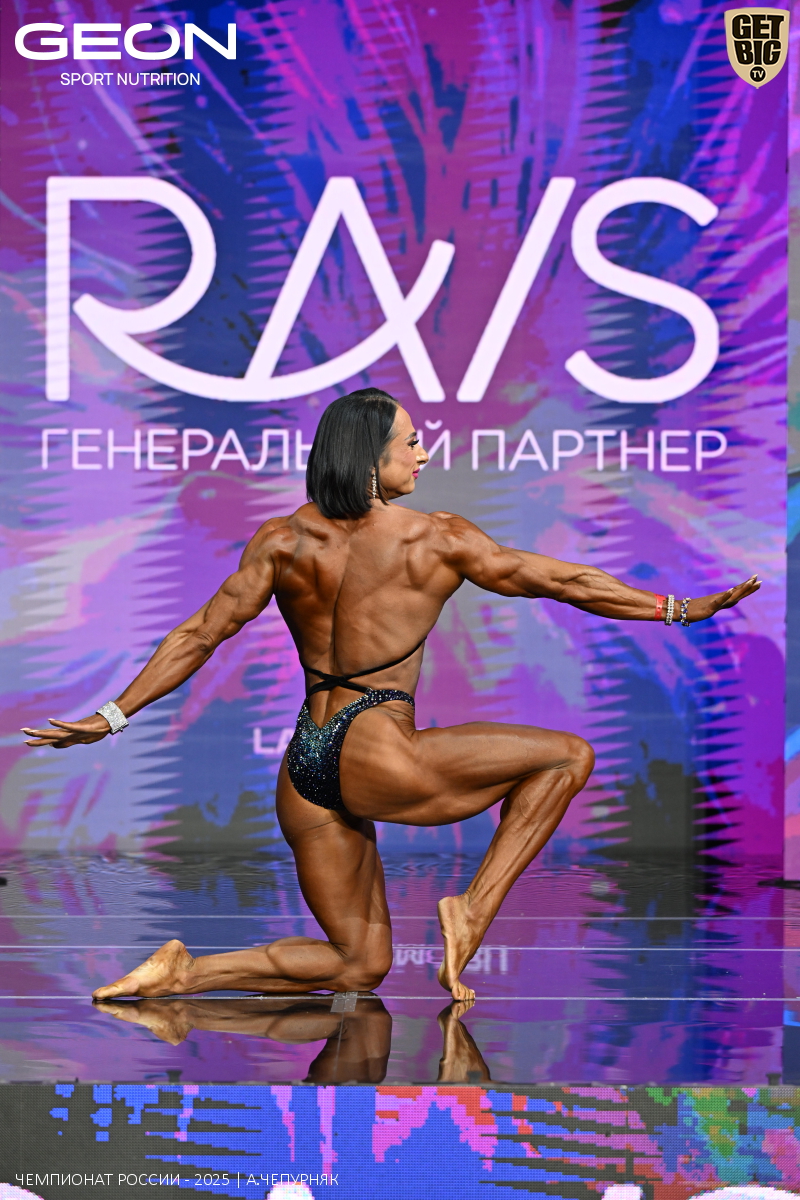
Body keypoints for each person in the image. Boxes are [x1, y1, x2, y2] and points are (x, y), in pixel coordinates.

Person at [22, 388, 760, 1003]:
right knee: (567, 757)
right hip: (376, 745)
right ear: (370, 457)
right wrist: (676, 609)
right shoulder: (432, 539)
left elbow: (200, 633)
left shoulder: (282, 540)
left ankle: (185, 973)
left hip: (306, 765)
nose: (423, 454)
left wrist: (111, 716)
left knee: (359, 963)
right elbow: (562, 581)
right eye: (411, 442)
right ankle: (471, 910)